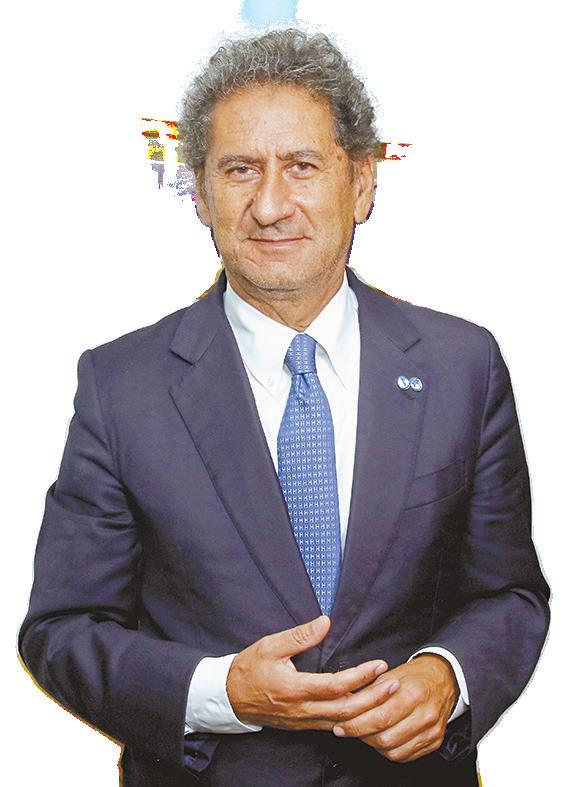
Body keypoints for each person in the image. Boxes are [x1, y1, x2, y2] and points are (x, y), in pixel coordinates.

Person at [19, 28, 550, 787]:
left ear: (361, 182)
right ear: (201, 193)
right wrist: (220, 692)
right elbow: (63, 630)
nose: (270, 206)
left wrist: (448, 675)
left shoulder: (463, 366)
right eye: (240, 170)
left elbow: (508, 594)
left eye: (302, 166)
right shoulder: (121, 386)